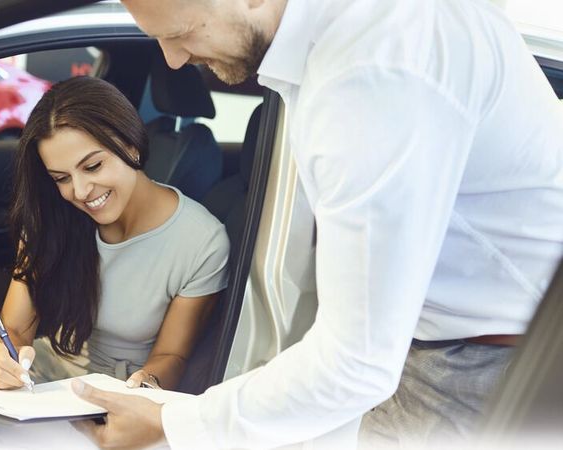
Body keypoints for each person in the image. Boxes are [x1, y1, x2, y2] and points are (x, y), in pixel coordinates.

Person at [71, 0, 563, 448]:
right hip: (443, 347)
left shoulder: (373, 72)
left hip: (488, 368)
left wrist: (171, 424)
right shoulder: (344, 40)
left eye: (179, 33)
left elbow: (355, 362)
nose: (174, 60)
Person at [0, 76, 230, 431]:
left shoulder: (201, 241)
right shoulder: (55, 218)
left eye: (93, 166)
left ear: (131, 145)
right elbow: (15, 330)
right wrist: (3, 358)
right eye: (61, 178)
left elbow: (172, 356)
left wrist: (147, 387)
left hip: (115, 393)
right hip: (50, 365)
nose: (80, 191)